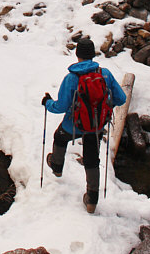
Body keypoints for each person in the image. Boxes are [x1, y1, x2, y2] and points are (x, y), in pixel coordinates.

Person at [41, 37, 126, 213]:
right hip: (96, 125)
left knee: (59, 137)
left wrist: (47, 103)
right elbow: (121, 98)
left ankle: (56, 166)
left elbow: (61, 106)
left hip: (74, 125)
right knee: (92, 158)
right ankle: (92, 200)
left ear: (77, 54)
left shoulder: (72, 78)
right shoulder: (105, 74)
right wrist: (104, 107)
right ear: (93, 54)